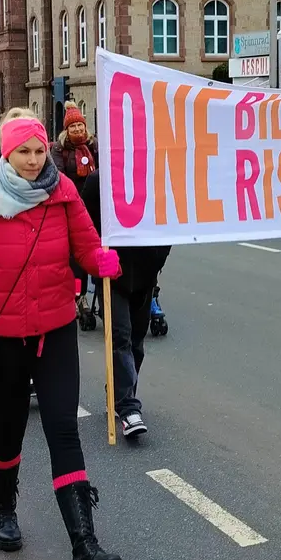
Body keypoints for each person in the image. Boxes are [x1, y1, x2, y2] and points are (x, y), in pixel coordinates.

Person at [0, 110, 124, 560]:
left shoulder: (62, 192)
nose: (33, 160)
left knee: (64, 428)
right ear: (6, 150)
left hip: (55, 327)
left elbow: (85, 246)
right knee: (11, 424)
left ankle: (85, 546)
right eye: (23, 151)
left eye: (40, 150)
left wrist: (100, 260)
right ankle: (5, 508)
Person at [79, 173, 170, 439]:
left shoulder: (154, 180)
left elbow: (168, 226)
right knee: (120, 337)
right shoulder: (99, 181)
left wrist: (157, 260)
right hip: (111, 275)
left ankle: (120, 393)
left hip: (143, 274)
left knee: (137, 342)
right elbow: (84, 225)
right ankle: (129, 408)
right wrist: (98, 256)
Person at [55, 105, 98, 192]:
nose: (77, 129)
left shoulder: (93, 143)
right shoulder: (59, 148)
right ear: (67, 129)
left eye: (79, 125)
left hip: (93, 194)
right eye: (72, 126)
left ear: (84, 126)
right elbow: (59, 175)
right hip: (71, 193)